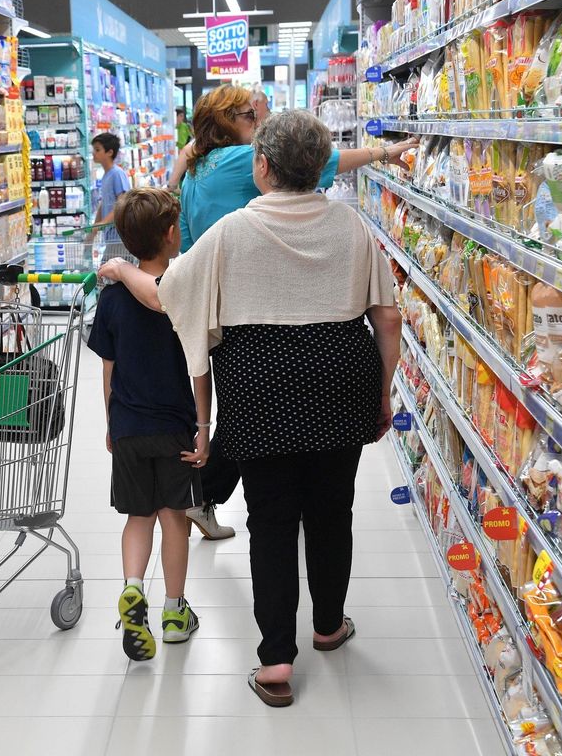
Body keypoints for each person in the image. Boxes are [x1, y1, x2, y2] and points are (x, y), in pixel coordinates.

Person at [99, 109, 404, 705]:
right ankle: (327, 626)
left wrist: (116, 270)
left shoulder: (232, 233)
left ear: (262, 166)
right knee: (330, 512)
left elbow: (165, 294)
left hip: (259, 388)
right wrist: (383, 390)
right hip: (343, 381)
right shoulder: (351, 227)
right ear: (318, 168)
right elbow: (387, 317)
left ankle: (275, 663)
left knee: (270, 520)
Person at [165, 84, 416, 540]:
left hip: (237, 316)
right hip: (286, 302)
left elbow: (184, 245)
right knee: (330, 507)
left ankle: (212, 499)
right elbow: (325, 161)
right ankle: (215, 497)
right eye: (247, 115)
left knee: (261, 477)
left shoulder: (197, 170)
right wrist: (384, 151)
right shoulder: (245, 161)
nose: (256, 123)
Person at [86, 187, 213, 662]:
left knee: (137, 518)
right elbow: (199, 368)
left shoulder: (115, 299)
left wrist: (110, 424)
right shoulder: (182, 293)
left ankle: (132, 587)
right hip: (175, 429)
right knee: (173, 520)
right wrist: (203, 427)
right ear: (169, 234)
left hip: (130, 428)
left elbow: (108, 369)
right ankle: (175, 613)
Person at [92, 132, 132, 227]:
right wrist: (96, 226)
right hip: (109, 233)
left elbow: (122, 204)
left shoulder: (117, 174)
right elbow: (104, 203)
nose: (94, 153)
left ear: (110, 152)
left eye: (97, 150)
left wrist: (103, 223)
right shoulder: (106, 175)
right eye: (94, 149)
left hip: (118, 233)